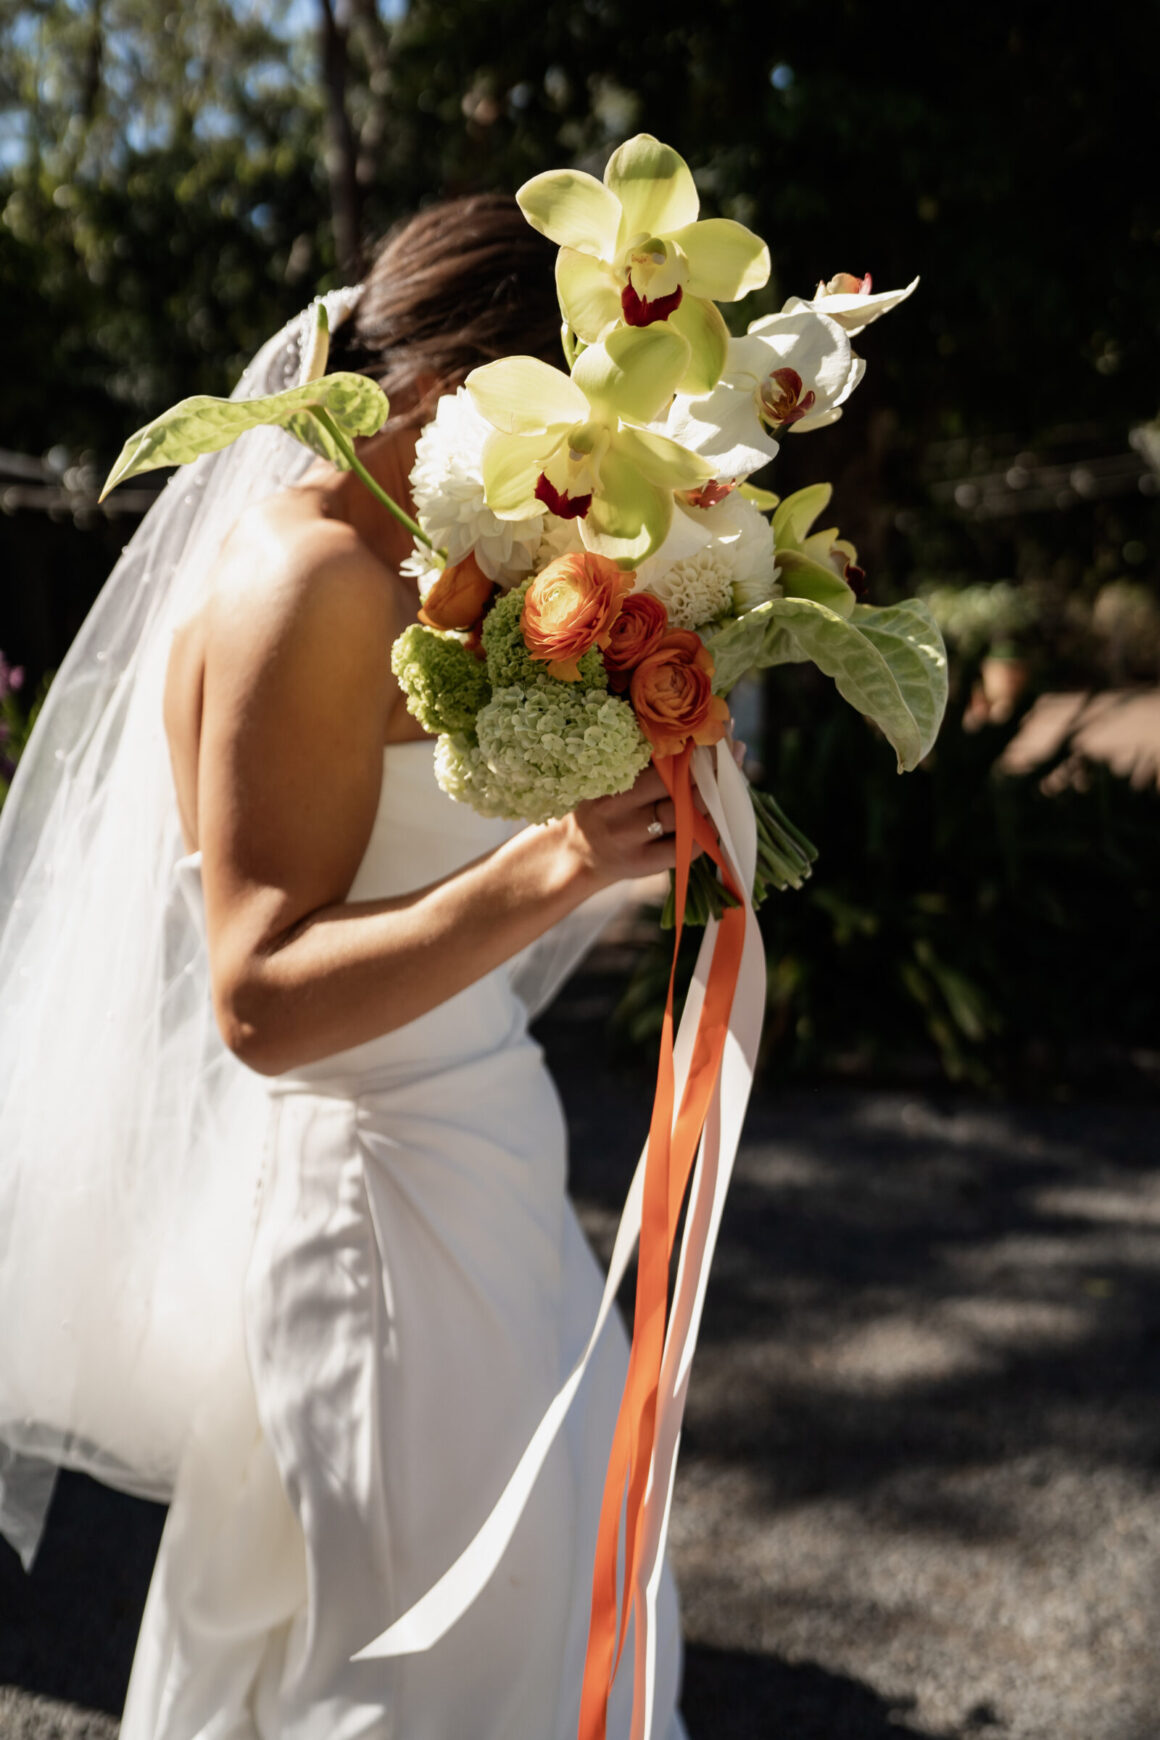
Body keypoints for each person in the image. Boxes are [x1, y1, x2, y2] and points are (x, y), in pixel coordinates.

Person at [0, 194, 691, 1738]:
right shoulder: (301, 581)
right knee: (435, 1675)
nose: (571, 482)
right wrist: (558, 861)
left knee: (509, 1632)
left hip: (464, 1178)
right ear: (458, 396)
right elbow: (259, 996)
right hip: (386, 1227)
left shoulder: (401, 587)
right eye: (564, 426)